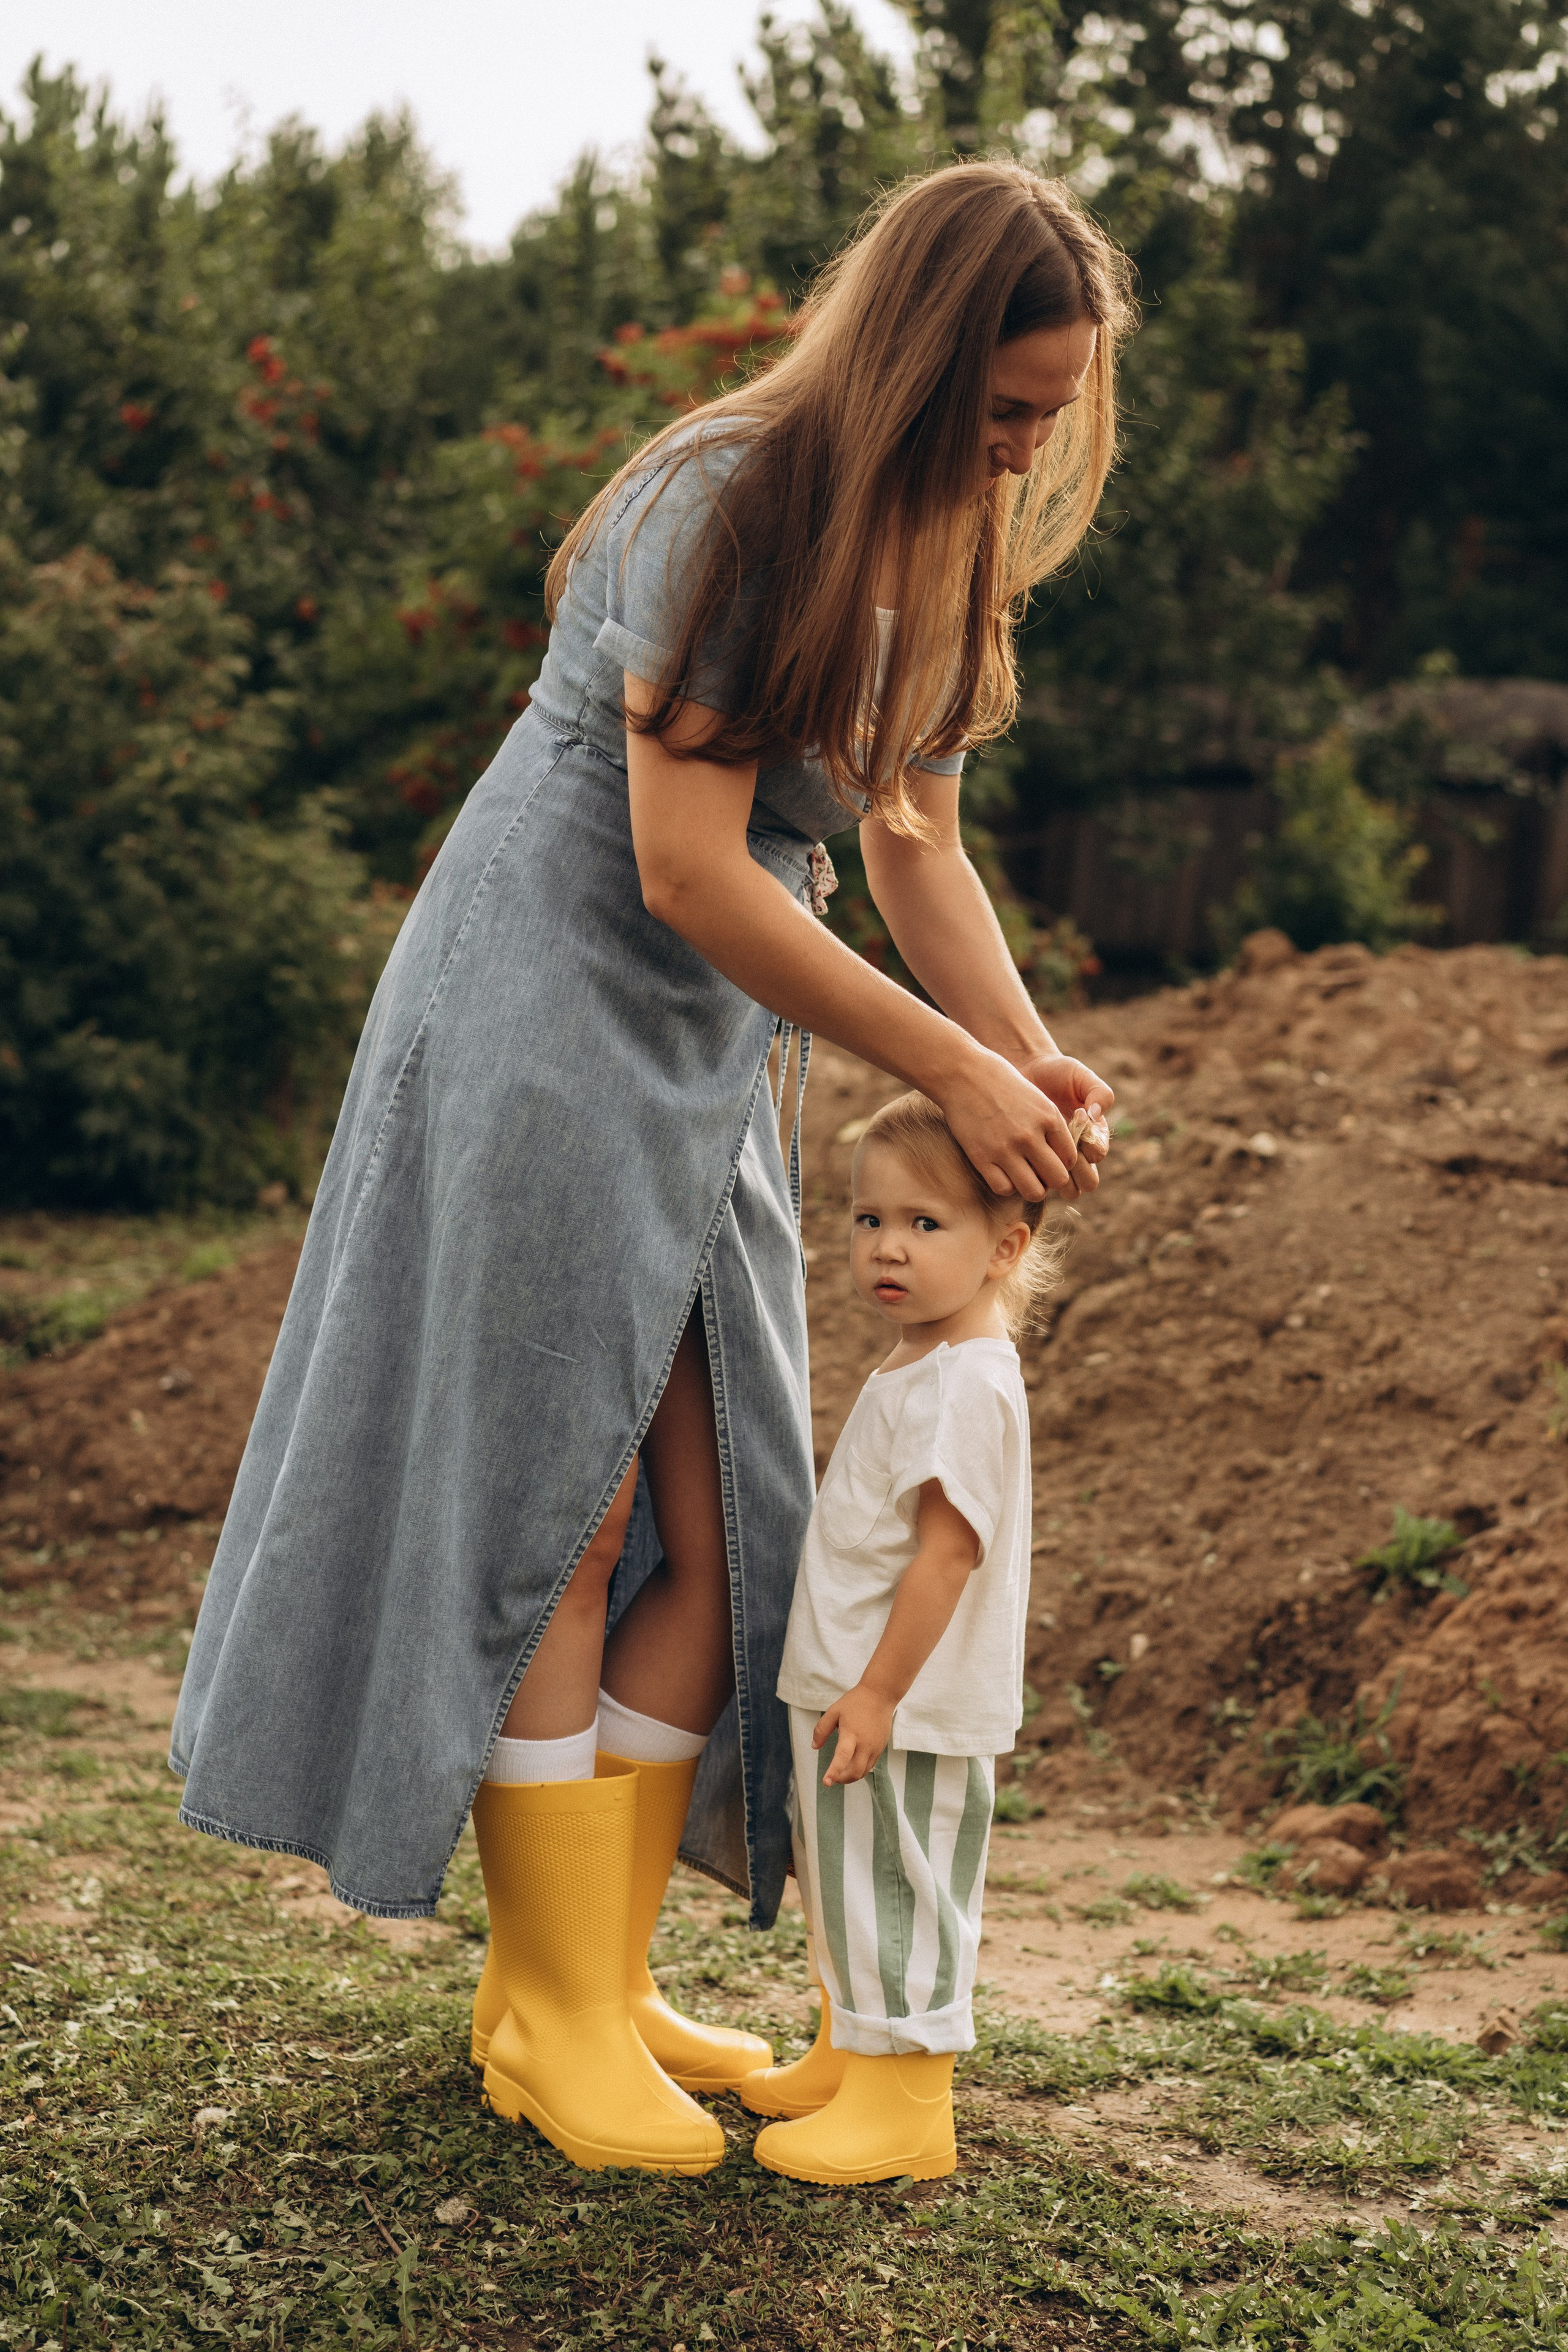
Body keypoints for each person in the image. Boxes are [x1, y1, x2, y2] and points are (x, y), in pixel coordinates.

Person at [168, 158, 1130, 2178]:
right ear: (917, 352)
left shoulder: (936, 541)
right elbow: (693, 865)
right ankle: (548, 2013)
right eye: (1005, 406)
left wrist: (1023, 1054)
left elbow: (912, 848)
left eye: (1055, 415)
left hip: (709, 1034)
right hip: (545, 994)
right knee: (569, 1505)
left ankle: (587, 1982)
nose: (1028, 447)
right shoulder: (723, 491)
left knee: (724, 1516)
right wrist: (946, 1059)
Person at [742, 1091, 1073, 2184]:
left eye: (926, 1224)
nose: (887, 1246)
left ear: (1003, 1247)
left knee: (901, 1890)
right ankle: (850, 2054)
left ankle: (908, 2106)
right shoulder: (919, 1361)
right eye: (867, 1218)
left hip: (905, 1704)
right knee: (847, 1884)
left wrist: (881, 1691)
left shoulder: (966, 1383)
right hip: (853, 1684)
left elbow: (946, 1556)